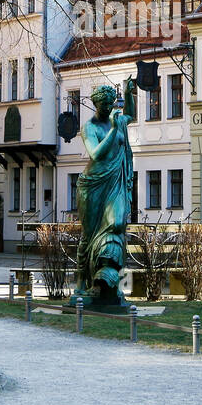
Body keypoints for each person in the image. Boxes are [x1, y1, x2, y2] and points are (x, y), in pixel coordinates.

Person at [73, 79, 136, 307]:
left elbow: (131, 116)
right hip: (92, 185)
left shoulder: (117, 120)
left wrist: (129, 94)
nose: (110, 108)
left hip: (114, 182)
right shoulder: (89, 126)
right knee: (88, 235)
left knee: (117, 222)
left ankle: (109, 274)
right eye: (105, 104)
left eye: (112, 103)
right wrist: (112, 130)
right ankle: (82, 282)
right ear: (96, 105)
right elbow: (96, 154)